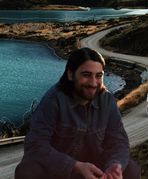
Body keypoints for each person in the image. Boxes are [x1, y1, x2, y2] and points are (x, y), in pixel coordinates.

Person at [15, 47, 141, 179]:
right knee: (27, 170)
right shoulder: (54, 100)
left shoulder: (107, 100)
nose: (93, 83)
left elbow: (119, 141)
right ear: (70, 74)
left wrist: (115, 165)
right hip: (58, 170)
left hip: (95, 168)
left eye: (99, 76)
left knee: (131, 168)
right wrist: (74, 166)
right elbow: (35, 144)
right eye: (86, 75)